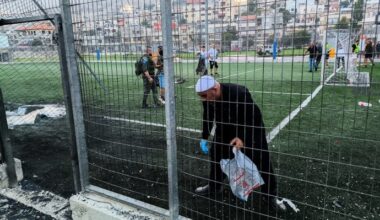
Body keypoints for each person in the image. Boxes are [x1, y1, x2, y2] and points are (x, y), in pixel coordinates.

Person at [194, 75, 284, 211]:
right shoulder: (208, 97)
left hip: (250, 128)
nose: (203, 99)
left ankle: (270, 195)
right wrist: (205, 137)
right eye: (201, 96)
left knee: (262, 160)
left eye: (204, 95)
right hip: (225, 129)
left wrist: (242, 138)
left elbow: (253, 117)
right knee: (216, 154)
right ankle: (214, 186)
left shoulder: (239, 92)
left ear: (215, 88)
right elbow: (208, 115)